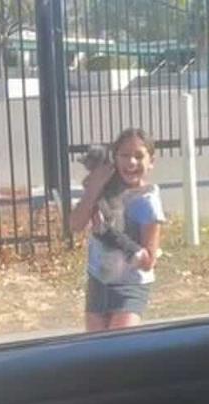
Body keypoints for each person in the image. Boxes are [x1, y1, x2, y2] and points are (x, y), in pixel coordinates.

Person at [69, 128, 165, 332]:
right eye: (124, 155)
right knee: (97, 353)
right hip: (99, 282)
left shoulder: (147, 201)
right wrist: (94, 187)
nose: (131, 162)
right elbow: (75, 225)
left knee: (118, 346)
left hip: (130, 287)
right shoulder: (103, 190)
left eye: (139, 156)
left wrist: (112, 236)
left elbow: (148, 262)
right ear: (114, 159)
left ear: (151, 161)